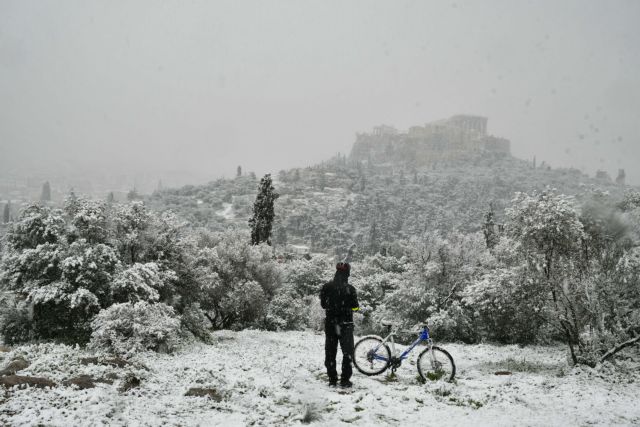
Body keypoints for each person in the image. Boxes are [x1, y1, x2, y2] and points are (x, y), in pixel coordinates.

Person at [320, 262, 359, 388]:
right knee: (347, 352)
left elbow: (323, 305)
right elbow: (355, 307)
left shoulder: (326, 287)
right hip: (346, 325)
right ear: (347, 274)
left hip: (331, 324)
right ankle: (345, 380)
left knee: (330, 351)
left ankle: (332, 379)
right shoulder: (350, 289)